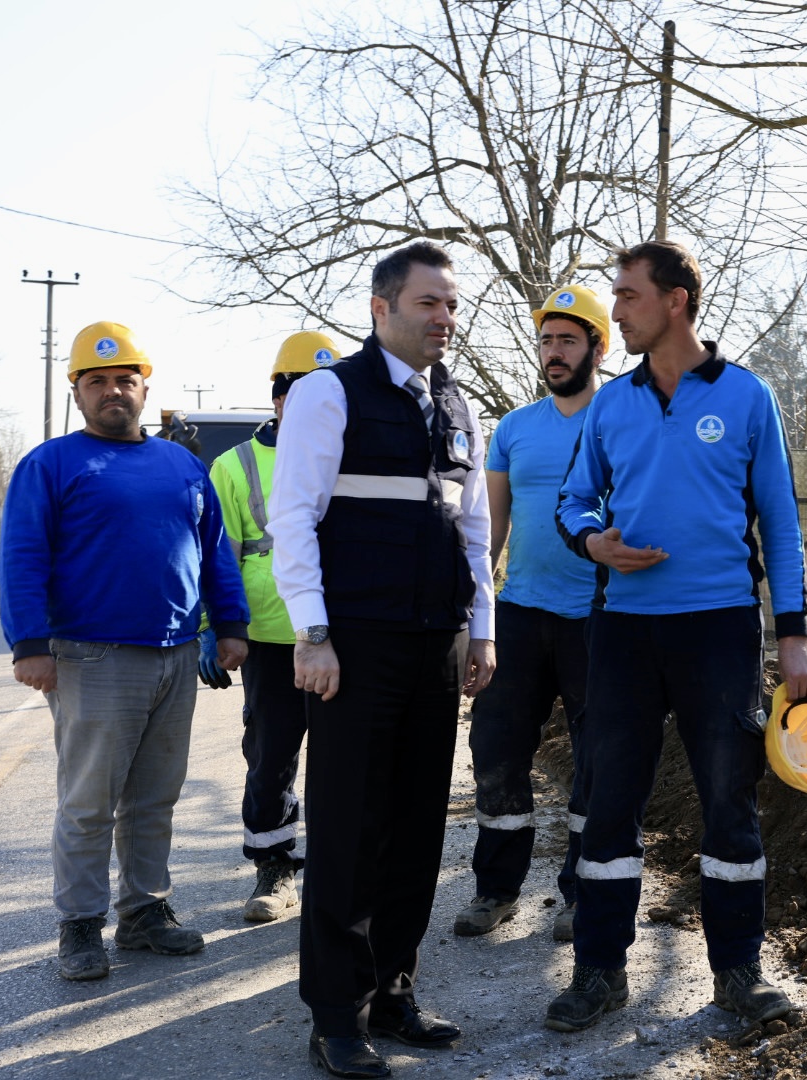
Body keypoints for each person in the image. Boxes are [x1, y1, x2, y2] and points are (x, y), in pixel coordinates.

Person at [549, 241, 807, 1032]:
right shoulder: (611, 404)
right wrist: (593, 540)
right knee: (608, 805)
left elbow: (782, 521)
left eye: (627, 296)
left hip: (720, 630)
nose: (616, 311)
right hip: (625, 632)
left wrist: (794, 635)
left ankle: (738, 972)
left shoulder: (745, 397)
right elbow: (574, 501)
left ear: (675, 301)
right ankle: (599, 973)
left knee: (729, 805)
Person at [269, 240, 495, 1080]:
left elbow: (472, 530)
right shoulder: (330, 393)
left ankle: (394, 991)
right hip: (354, 648)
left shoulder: (459, 406)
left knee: (415, 827)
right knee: (347, 829)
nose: (446, 319)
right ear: (382, 308)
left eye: (452, 306)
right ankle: (336, 1013)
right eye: (430, 303)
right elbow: (293, 518)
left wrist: (483, 629)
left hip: (436, 643)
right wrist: (313, 635)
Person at [0, 320, 249, 983]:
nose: (113, 391)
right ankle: (80, 927)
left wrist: (231, 624)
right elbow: (22, 556)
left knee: (154, 797)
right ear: (77, 391)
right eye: (98, 381)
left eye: (125, 381)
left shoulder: (181, 464)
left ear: (144, 388)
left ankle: (144, 913)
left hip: (174, 654)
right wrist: (30, 643)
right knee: (88, 802)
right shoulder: (50, 464)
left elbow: (214, 553)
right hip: (91, 657)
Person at [454, 286, 607, 942]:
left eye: (568, 339)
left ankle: (582, 892)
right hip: (519, 613)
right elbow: (487, 530)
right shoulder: (515, 429)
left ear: (597, 346)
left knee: (598, 759)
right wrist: (474, 619)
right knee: (495, 748)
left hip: (599, 618)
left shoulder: (623, 420)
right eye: (547, 340)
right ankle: (496, 889)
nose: (554, 351)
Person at [207, 330, 341, 922]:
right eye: (299, 391)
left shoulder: (353, 454)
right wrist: (215, 625)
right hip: (268, 638)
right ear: (278, 397)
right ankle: (274, 869)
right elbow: (215, 557)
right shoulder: (233, 466)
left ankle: (339, 872)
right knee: (270, 759)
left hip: (342, 636)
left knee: (346, 761)